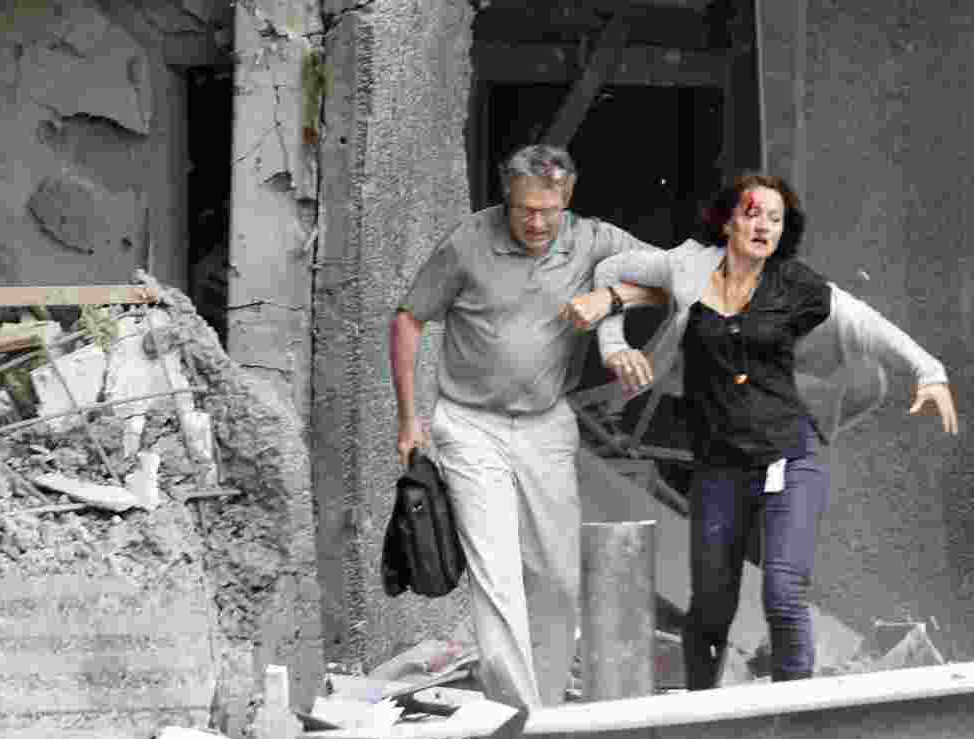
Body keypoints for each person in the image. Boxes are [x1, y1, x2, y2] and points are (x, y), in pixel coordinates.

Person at [561, 173, 958, 688]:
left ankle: (796, 723)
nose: (763, 225)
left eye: (775, 219)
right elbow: (611, 270)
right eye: (753, 213)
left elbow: (869, 325)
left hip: (790, 455)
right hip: (721, 462)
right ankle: (702, 721)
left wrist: (930, 372)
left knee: (784, 594)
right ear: (728, 221)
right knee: (710, 606)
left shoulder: (799, 286)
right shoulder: (688, 266)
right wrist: (614, 347)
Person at [390, 145, 665, 708]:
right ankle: (520, 717)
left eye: (548, 210)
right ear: (505, 200)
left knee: (558, 580)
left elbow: (677, 278)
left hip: (547, 425)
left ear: (568, 198)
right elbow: (408, 319)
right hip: (470, 426)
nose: (536, 223)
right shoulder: (468, 243)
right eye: (523, 210)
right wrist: (408, 417)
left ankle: (545, 708)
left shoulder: (591, 240)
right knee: (498, 579)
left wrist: (612, 296)